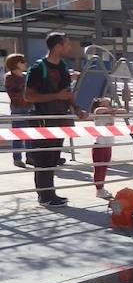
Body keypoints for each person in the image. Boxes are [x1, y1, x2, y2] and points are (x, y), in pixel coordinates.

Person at [23, 32, 86, 207]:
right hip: (42, 119)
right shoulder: (38, 68)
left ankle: (50, 194)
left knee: (53, 158)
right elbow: (28, 96)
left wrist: (77, 108)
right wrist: (56, 95)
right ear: (57, 46)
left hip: (59, 119)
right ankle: (44, 196)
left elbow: (67, 93)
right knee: (43, 158)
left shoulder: (63, 67)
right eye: (66, 44)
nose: (70, 47)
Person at [89, 97, 125, 200]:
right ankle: (99, 189)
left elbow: (124, 111)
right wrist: (111, 110)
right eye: (104, 104)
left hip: (108, 144)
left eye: (108, 104)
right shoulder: (98, 113)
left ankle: (102, 187)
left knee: (104, 167)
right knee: (99, 168)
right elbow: (98, 110)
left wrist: (113, 110)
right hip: (99, 144)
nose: (106, 106)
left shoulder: (110, 113)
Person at [4, 53, 31, 168]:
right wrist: (26, 94)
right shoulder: (9, 77)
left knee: (31, 134)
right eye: (22, 62)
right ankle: (17, 158)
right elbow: (13, 94)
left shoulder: (26, 76)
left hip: (29, 107)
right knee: (18, 134)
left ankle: (30, 157)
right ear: (15, 63)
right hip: (18, 108)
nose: (25, 64)